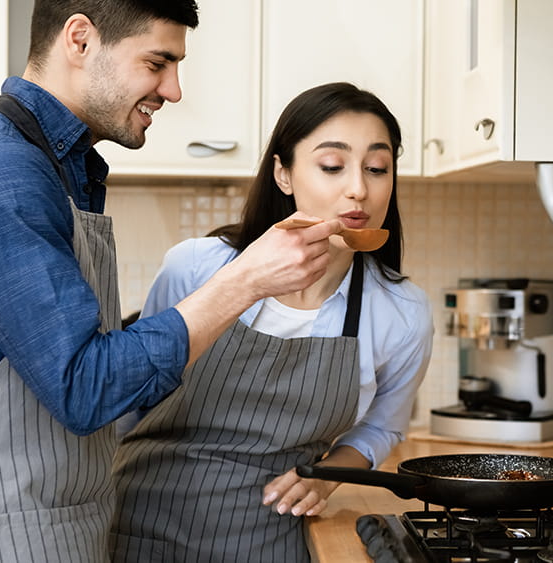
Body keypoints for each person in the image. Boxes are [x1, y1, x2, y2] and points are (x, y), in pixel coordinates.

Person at [0, 2, 341, 561]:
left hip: (58, 522)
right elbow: (84, 386)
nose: (174, 89)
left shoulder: (64, 168)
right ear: (80, 39)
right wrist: (245, 281)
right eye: (158, 62)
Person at [109, 82, 434, 562]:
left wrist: (328, 477)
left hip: (274, 536)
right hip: (141, 525)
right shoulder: (196, 268)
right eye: (332, 166)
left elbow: (382, 429)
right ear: (284, 174)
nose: (359, 188)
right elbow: (127, 399)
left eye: (377, 168)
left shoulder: (402, 312)